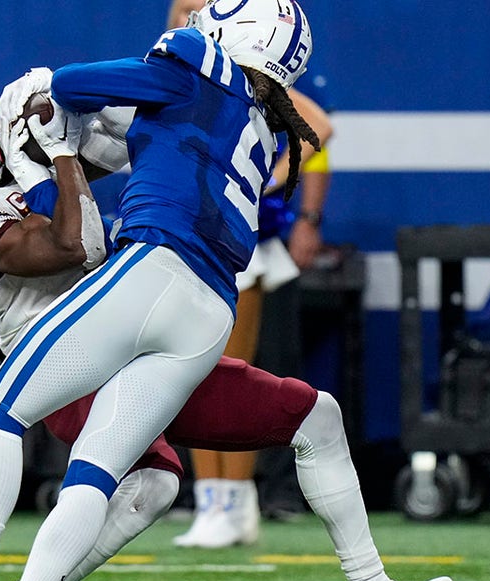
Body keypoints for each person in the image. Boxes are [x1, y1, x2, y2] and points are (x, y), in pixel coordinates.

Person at [0, 67, 448, 581]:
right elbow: (76, 245)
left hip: (140, 333)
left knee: (307, 419)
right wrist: (57, 152)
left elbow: (135, 149)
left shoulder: (33, 155)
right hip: (65, 362)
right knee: (52, 435)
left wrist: (89, 125)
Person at [167, 0, 335, 549]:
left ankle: (237, 503)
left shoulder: (248, 72)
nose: (186, 20)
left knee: (229, 370)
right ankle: (213, 502)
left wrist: (264, 175)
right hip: (181, 236)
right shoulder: (182, 69)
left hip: (234, 243)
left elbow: (320, 126)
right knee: (183, 372)